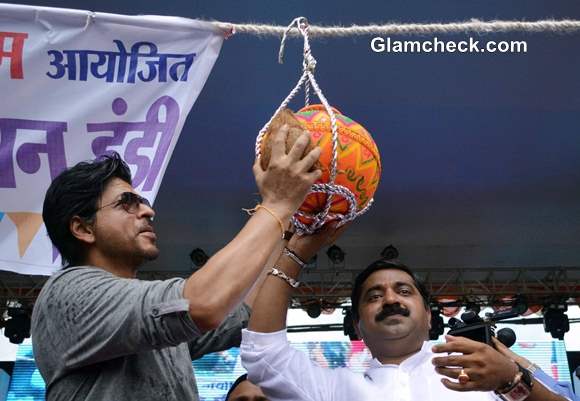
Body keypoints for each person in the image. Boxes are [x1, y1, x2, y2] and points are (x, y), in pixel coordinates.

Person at [31, 125, 322, 401]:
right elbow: (203, 304)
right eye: (127, 203)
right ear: (83, 228)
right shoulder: (67, 294)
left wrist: (291, 242)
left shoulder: (142, 321)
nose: (148, 210)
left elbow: (245, 310)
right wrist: (277, 204)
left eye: (142, 201)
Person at [241, 231, 574, 401]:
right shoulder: (333, 388)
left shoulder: (481, 371)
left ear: (430, 317)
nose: (389, 299)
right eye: (374, 296)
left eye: (403, 291)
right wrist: (295, 253)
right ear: (357, 326)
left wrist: (512, 381)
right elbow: (263, 353)